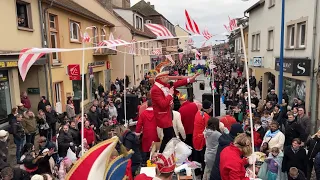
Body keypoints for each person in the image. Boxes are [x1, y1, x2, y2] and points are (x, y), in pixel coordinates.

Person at [151, 60, 199, 153]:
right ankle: (162, 154)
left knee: (168, 137)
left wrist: (189, 80)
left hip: (167, 115)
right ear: (161, 78)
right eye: (166, 77)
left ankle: (164, 154)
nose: (168, 78)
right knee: (169, 137)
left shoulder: (163, 86)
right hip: (163, 116)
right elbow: (162, 104)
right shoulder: (156, 89)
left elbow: (176, 84)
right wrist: (170, 95)